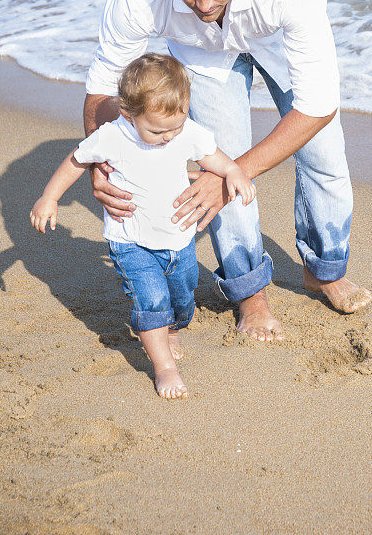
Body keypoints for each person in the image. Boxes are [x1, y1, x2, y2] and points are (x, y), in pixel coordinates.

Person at [84, 0, 372, 344]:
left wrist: (233, 174)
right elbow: (103, 86)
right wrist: (102, 163)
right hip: (200, 53)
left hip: (274, 32)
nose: (204, 4)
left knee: (324, 155)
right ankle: (249, 294)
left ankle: (325, 270)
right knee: (222, 156)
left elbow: (318, 105)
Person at [30, 53, 256, 399]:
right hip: (130, 241)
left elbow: (213, 156)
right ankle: (164, 367)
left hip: (179, 241)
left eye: (176, 127)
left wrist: (235, 171)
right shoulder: (112, 136)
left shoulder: (185, 132)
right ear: (128, 114)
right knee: (150, 300)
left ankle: (173, 328)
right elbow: (76, 160)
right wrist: (49, 196)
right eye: (157, 130)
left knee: (182, 298)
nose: (169, 136)